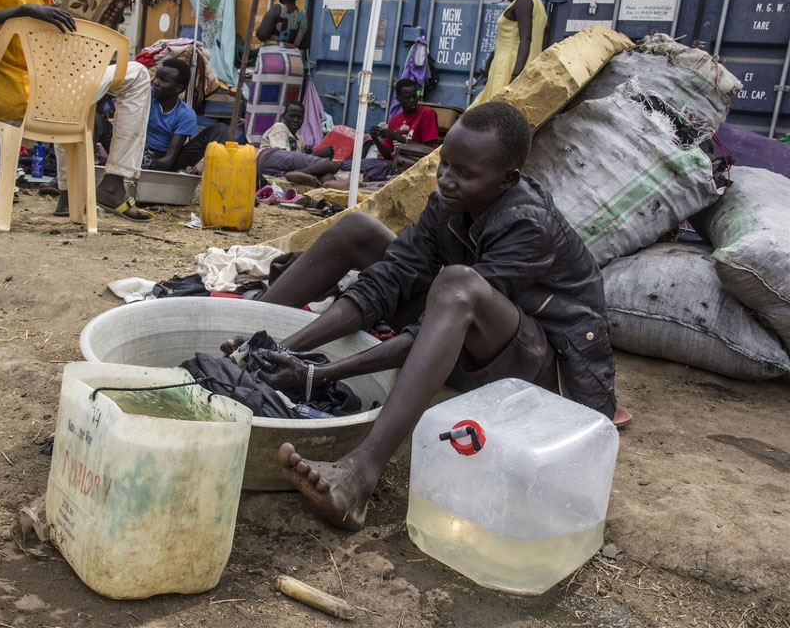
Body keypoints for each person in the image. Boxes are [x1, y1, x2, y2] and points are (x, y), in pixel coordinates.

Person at [223, 102, 618, 531]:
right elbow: (388, 280)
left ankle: (360, 475)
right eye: (444, 165)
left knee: (456, 283)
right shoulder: (446, 203)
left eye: (465, 174)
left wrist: (321, 375)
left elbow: (433, 322)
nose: (447, 181)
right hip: (474, 334)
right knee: (359, 229)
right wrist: (277, 347)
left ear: (508, 179)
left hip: (549, 374)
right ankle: (246, 339)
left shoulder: (528, 225)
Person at [0, 0, 153, 222]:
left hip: (45, 97)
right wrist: (21, 11)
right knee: (137, 74)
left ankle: (68, 195)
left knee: (73, 83)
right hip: (22, 97)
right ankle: (115, 182)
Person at [245, 0, 310, 144]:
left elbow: (262, 34)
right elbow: (305, 43)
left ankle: (258, 140)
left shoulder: (277, 9)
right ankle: (282, 140)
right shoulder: (302, 15)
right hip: (294, 63)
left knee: (263, 104)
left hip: (272, 60)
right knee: (286, 106)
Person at [143, 58, 230, 172]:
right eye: (157, 77)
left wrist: (151, 163)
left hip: (166, 160)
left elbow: (168, 160)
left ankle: (216, 173)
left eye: (164, 81)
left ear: (178, 88)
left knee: (220, 129)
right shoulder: (145, 95)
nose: (156, 83)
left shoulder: (185, 114)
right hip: (138, 149)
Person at [469, 0, 546, 108]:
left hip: (507, 68)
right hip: (518, 66)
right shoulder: (537, 3)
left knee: (492, 111)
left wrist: (515, 77)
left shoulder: (523, 0)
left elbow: (526, 39)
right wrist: (488, 67)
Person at [257, 101, 339, 186]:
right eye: (291, 116)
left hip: (277, 173)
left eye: (299, 117)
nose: (295, 120)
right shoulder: (280, 127)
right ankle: (298, 173)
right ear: (284, 116)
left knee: (326, 175)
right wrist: (317, 154)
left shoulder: (300, 140)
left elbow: (294, 161)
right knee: (332, 165)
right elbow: (285, 156)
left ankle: (329, 189)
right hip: (267, 160)